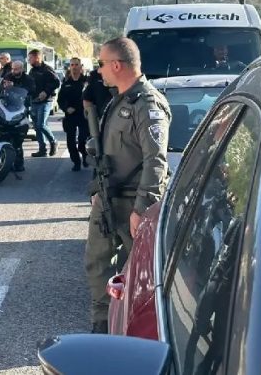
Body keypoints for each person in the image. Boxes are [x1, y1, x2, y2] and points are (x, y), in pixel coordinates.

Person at [85, 37, 171, 334]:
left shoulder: (147, 103)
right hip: (109, 198)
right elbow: (108, 153)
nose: (99, 70)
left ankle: (140, 329)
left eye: (101, 64)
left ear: (117, 65)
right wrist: (97, 191)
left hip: (134, 203)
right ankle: (102, 325)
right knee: (97, 264)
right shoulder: (118, 101)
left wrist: (142, 208)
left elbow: (155, 160)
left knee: (143, 274)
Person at [57, 57, 89, 171]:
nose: (74, 67)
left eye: (76, 65)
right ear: (69, 67)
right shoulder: (66, 83)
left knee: (83, 140)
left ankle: (85, 155)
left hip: (83, 115)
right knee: (70, 142)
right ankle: (76, 162)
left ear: (81, 67)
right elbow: (60, 100)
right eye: (72, 65)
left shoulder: (86, 82)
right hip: (70, 116)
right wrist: (66, 108)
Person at [27, 49, 60, 157]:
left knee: (41, 124)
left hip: (45, 101)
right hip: (34, 101)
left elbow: (56, 82)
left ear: (37, 58)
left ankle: (53, 141)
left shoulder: (47, 69)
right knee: (37, 127)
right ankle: (42, 149)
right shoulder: (32, 71)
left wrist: (46, 92)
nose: (29, 60)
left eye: (30, 58)